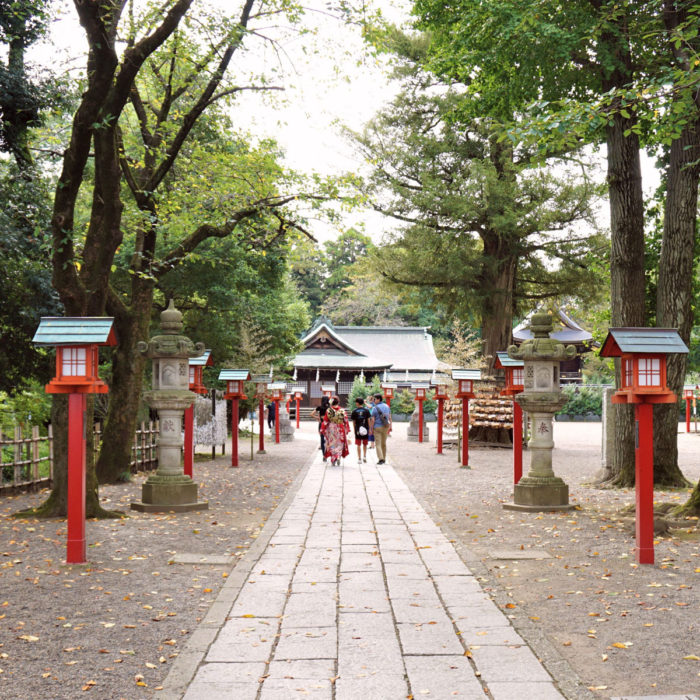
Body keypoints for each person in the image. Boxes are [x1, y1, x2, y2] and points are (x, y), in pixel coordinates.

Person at [320, 396, 350, 466]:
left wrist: (322, 429)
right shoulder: (342, 410)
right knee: (339, 443)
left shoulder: (329, 411)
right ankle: (338, 456)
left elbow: (325, 421)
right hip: (340, 428)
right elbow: (346, 420)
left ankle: (333, 458)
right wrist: (347, 428)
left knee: (332, 443)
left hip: (332, 428)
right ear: (338, 402)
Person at [370, 392, 392, 464]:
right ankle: (384, 458)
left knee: (378, 444)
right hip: (386, 426)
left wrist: (371, 429)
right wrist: (391, 426)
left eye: (374, 399)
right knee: (384, 443)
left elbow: (372, 419)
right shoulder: (387, 406)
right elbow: (389, 417)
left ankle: (381, 459)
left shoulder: (375, 408)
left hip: (377, 427)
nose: (373, 400)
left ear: (378, 399)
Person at [350, 397, 372, 463]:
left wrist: (354, 429)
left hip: (358, 429)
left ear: (357, 403)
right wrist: (370, 429)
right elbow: (369, 420)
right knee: (365, 444)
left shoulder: (354, 411)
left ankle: (359, 458)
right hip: (365, 428)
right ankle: (364, 457)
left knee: (358, 444)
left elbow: (353, 422)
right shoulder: (366, 410)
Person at [312, 396, 331, 462]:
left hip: (321, 424)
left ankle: (324, 456)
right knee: (329, 440)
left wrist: (317, 418)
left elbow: (311, 414)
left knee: (322, 440)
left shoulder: (319, 407)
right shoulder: (330, 408)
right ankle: (330, 454)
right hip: (328, 424)